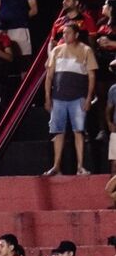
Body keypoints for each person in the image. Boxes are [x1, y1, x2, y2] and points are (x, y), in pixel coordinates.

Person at [45, 23, 97, 176]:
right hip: (59, 98)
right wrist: (48, 97)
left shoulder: (86, 50)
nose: (64, 35)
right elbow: (49, 77)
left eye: (68, 33)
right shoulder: (56, 50)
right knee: (58, 132)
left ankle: (80, 166)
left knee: (78, 131)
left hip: (77, 98)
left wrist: (88, 98)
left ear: (76, 35)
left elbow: (92, 76)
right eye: (63, 33)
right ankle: (56, 166)